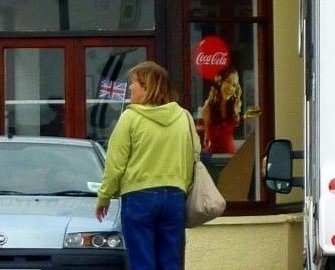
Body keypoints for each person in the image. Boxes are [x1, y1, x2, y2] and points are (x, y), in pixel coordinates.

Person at [95, 61, 195, 270]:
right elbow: (193, 156)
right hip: (175, 197)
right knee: (171, 261)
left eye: (134, 83)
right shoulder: (183, 117)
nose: (130, 88)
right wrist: (182, 186)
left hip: (139, 197)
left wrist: (104, 197)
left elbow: (115, 165)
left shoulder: (130, 118)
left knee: (142, 261)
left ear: (148, 87)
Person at [201, 67, 242, 154]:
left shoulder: (234, 105)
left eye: (234, 85)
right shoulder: (208, 107)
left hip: (231, 157)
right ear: (220, 82)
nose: (231, 88)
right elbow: (205, 138)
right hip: (214, 159)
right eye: (228, 81)